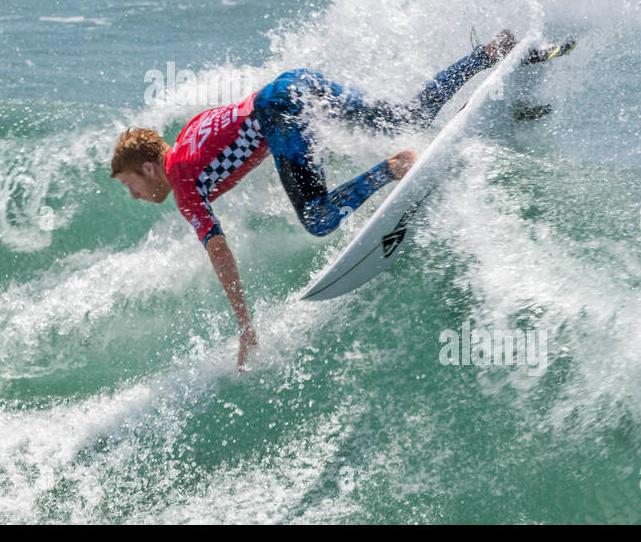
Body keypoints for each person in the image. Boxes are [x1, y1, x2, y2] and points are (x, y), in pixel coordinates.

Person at [112, 29, 543, 371]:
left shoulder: (183, 183)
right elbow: (236, 133)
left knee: (318, 218)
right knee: (406, 115)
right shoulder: (188, 135)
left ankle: (392, 168)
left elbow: (219, 250)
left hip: (279, 111)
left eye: (130, 184)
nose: (134, 196)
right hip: (295, 85)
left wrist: (245, 324)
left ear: (149, 167)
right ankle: (491, 52)